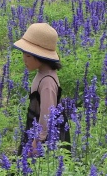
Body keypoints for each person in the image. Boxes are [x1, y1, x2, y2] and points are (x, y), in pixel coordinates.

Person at [13, 23, 70, 156]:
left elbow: (47, 116)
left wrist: (36, 142)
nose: (24, 60)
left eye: (28, 56)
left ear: (40, 57)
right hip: (34, 128)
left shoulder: (47, 81)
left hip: (45, 136)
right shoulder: (42, 73)